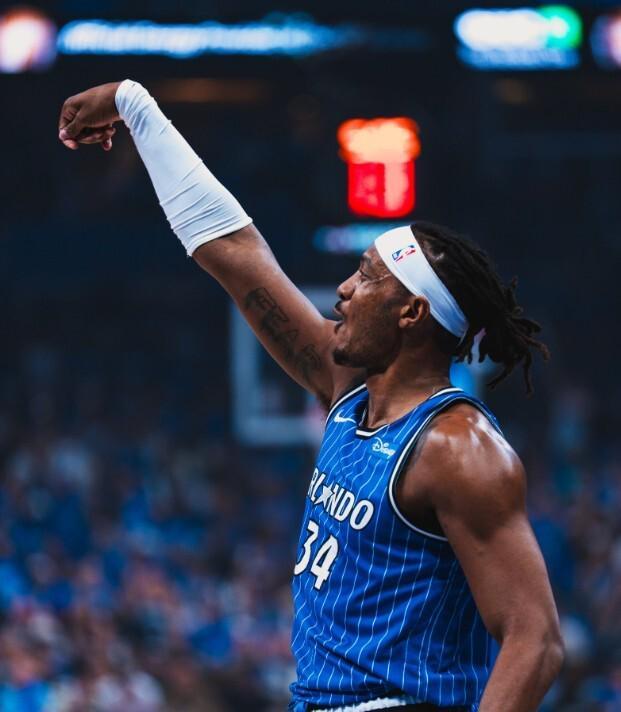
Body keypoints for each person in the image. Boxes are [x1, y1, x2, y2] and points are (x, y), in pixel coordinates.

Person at [57, 80, 564, 712]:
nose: (344, 289)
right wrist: (135, 105)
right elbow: (235, 252)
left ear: (411, 312)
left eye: (368, 276)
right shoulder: (348, 390)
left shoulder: (459, 449)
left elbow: (536, 640)